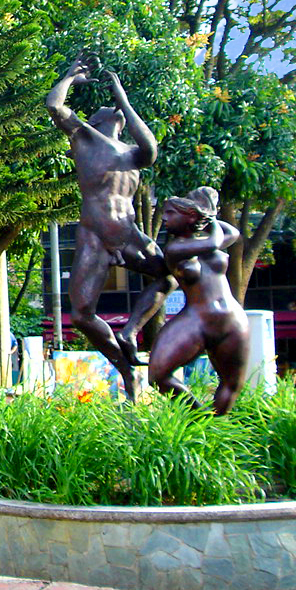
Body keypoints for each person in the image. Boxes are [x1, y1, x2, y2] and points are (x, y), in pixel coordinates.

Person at [46, 56, 177, 398]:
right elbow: (54, 105)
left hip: (128, 232)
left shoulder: (132, 153)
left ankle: (130, 332)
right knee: (81, 315)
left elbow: (151, 148)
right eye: (108, 107)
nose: (111, 107)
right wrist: (70, 77)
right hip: (94, 235)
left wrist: (124, 99)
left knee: (168, 277)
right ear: (97, 120)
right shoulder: (85, 137)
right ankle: (125, 369)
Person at [146, 187, 250, 416]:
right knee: (158, 375)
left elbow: (233, 232)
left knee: (232, 383)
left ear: (190, 216)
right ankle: (200, 417)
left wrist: (206, 216)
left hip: (232, 318)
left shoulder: (208, 240)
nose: (164, 218)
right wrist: (208, 218)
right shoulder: (175, 248)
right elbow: (213, 243)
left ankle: (214, 428)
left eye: (170, 213)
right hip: (197, 319)